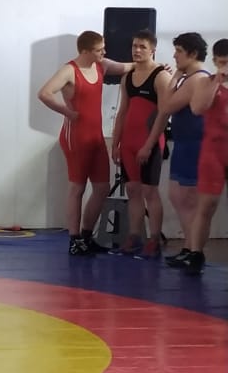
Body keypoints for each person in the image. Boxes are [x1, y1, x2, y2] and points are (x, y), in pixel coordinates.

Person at [38, 31, 145, 255]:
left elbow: (126, 67)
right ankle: (74, 239)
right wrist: (67, 111)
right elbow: (45, 93)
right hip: (75, 137)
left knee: (102, 188)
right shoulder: (69, 70)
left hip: (95, 137)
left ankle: (87, 236)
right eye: (99, 50)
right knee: (77, 188)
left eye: (103, 48)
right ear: (85, 51)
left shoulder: (101, 65)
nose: (103, 52)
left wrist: (156, 65)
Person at [134, 33, 208, 267]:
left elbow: (165, 106)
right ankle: (189, 248)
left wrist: (175, 75)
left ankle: (195, 252)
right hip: (185, 143)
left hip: (194, 146)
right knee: (178, 197)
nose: (174, 56)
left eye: (179, 51)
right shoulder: (191, 78)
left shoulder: (197, 79)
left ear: (192, 54)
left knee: (187, 200)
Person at [111, 29, 171, 258]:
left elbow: (163, 115)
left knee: (150, 191)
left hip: (150, 142)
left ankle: (154, 239)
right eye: (134, 46)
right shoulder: (127, 77)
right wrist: (115, 143)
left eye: (142, 47)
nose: (137, 50)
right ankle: (134, 236)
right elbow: (122, 112)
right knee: (133, 190)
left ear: (153, 50)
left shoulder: (161, 76)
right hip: (128, 142)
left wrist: (149, 145)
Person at [182, 39, 228, 274]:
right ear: (215, 62)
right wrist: (217, 81)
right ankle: (196, 253)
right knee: (207, 205)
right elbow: (198, 108)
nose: (225, 67)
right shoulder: (206, 82)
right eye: (221, 63)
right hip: (214, 151)